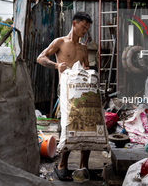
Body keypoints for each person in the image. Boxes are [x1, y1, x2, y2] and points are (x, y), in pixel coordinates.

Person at [37, 11, 93, 181]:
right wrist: (56, 65)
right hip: (66, 90)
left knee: (87, 126)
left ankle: (84, 166)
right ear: (74, 24)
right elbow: (40, 58)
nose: (85, 31)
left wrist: (87, 71)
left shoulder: (84, 48)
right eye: (83, 27)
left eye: (87, 28)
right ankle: (62, 165)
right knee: (67, 126)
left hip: (82, 91)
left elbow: (87, 68)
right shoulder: (60, 42)